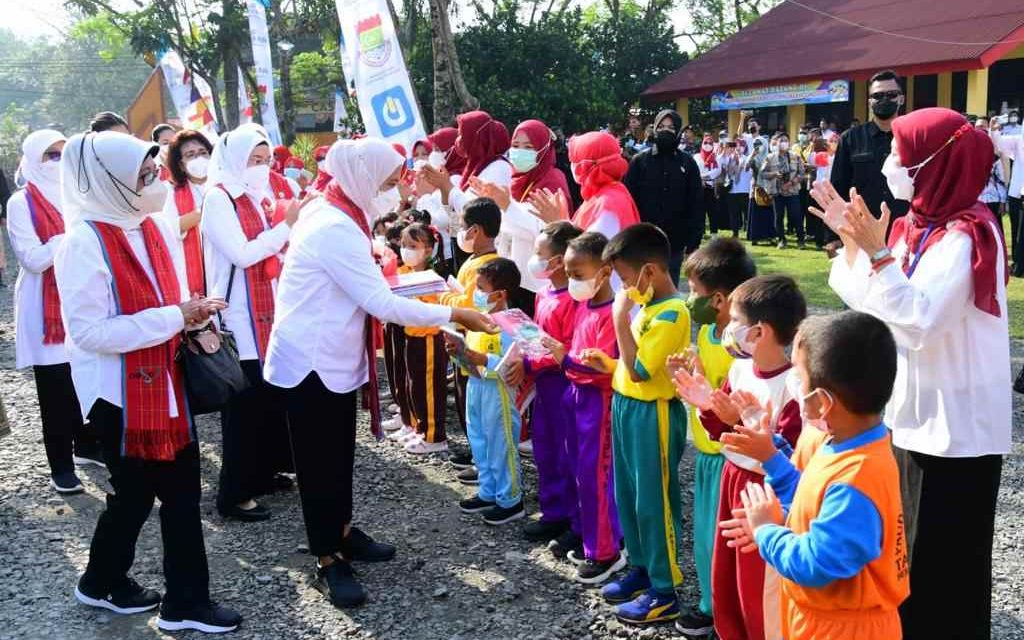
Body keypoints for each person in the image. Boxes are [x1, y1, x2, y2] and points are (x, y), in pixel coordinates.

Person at [263, 137, 496, 609]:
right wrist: (456, 316)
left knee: (339, 455)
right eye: (390, 183)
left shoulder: (337, 210)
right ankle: (328, 557)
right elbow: (379, 303)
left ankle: (343, 531)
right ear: (363, 178)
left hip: (331, 356)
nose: (398, 190)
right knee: (318, 463)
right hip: (311, 362)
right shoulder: (332, 225)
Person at [816, 107, 1010, 640]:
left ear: (934, 163)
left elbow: (921, 319)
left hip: (956, 430)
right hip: (911, 416)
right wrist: (857, 246)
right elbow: (874, 305)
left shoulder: (969, 236)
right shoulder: (914, 228)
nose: (891, 163)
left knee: (947, 570)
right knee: (907, 559)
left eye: (901, 153)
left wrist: (878, 254)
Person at [56, 130, 241, 633]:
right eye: (143, 175)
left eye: (154, 169)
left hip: (165, 381)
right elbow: (90, 331)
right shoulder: (82, 243)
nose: (156, 179)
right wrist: (174, 317)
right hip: (119, 394)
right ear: (108, 182)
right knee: (156, 495)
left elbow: (171, 297)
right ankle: (184, 604)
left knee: (152, 494)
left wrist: (195, 315)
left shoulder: (150, 225)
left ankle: (102, 582)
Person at [719, 311, 909, 640]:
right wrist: (773, 458)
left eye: (800, 377)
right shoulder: (840, 443)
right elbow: (809, 493)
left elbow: (817, 565)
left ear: (822, 402)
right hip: (821, 619)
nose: (795, 383)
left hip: (844, 630)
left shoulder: (857, 476)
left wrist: (767, 531)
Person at [688, 274, 806, 640]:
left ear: (759, 332)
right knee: (726, 574)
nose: (728, 327)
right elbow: (718, 430)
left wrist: (736, 420)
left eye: (736, 320)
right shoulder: (739, 369)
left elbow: (787, 451)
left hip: (764, 491)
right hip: (732, 477)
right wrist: (708, 404)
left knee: (757, 581)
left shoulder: (793, 385)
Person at [588, 223, 689, 624]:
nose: (624, 288)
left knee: (654, 500)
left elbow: (644, 370)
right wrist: (609, 364)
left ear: (649, 271)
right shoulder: (646, 307)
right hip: (628, 407)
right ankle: (642, 567)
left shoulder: (672, 312)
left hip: (654, 415)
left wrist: (618, 318)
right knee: (627, 495)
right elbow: (630, 369)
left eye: (626, 279)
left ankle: (664, 590)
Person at [201, 126, 300, 522]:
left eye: (265, 161)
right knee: (242, 411)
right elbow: (242, 255)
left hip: (265, 316)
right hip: (237, 319)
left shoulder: (256, 197)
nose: (261, 169)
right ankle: (233, 495)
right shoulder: (218, 199)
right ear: (233, 161)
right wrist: (286, 227)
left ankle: (261, 474)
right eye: (253, 161)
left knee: (266, 402)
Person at [668, 237, 757, 637]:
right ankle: (710, 604)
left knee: (727, 542)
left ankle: (729, 612)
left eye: (694, 292)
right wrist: (692, 371)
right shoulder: (707, 335)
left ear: (720, 299)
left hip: (728, 458)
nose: (689, 299)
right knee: (704, 537)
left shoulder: (744, 347)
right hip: (706, 455)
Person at [6, 129, 103, 493]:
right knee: (56, 389)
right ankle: (61, 465)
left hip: (81, 298)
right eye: (51, 154)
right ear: (33, 159)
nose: (58, 162)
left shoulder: (78, 194)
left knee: (86, 378)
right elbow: (32, 259)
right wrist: (72, 238)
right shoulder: (21, 202)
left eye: (64, 153)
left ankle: (88, 445)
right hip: (43, 307)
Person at [543, 230, 625, 583]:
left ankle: (605, 550)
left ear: (605, 271)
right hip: (574, 397)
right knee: (575, 467)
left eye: (578, 274)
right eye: (569, 273)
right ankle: (582, 528)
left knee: (597, 475)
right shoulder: (584, 305)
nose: (572, 281)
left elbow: (603, 368)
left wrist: (565, 359)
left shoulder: (615, 310)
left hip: (598, 403)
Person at [510, 221, 581, 544]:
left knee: (568, 452)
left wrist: (529, 362)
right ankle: (553, 511)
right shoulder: (543, 294)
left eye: (541, 253)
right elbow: (536, 337)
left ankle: (573, 517)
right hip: (544, 385)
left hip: (565, 384)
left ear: (561, 259)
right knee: (545, 448)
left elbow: (563, 348)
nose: (535, 259)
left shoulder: (574, 300)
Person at [447, 257, 526, 525]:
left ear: (501, 293)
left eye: (481, 287)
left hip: (499, 393)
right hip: (476, 385)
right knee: (479, 439)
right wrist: (459, 353)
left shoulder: (514, 323)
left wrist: (482, 360)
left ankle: (511, 499)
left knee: (501, 443)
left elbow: (513, 365)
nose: (476, 293)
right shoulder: (480, 319)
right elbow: (472, 354)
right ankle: (488, 490)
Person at [472, 118, 572, 302]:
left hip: (538, 283)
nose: (519, 152)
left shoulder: (552, 180)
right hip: (515, 277)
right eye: (516, 145)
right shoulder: (518, 179)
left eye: (528, 147)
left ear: (543, 149)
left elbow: (543, 229)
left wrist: (506, 206)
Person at [438, 197, 503, 476]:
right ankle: (477, 452)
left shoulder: (487, 265)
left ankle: (484, 461)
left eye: (463, 226)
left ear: (475, 230)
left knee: (477, 405)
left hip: (477, 341)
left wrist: (441, 295)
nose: (460, 232)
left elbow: (467, 305)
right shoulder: (476, 260)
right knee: (468, 402)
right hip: (466, 339)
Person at [829, 70, 911, 246]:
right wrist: (835, 237)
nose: (884, 100)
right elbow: (838, 187)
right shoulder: (850, 138)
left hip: (906, 232)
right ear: (869, 102)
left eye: (891, 95)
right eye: (878, 96)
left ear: (902, 99)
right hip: (861, 233)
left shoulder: (913, 139)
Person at [623, 110, 704, 284]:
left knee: (667, 293)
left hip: (674, 243)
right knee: (640, 292)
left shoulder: (687, 163)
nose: (666, 131)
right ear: (654, 128)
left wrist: (693, 242)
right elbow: (628, 201)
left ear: (678, 132)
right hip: (643, 242)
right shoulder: (640, 161)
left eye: (671, 127)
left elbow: (696, 203)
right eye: (661, 127)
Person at [394, 222, 450, 454]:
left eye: (413, 245)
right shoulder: (405, 272)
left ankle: (434, 435)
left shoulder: (431, 277)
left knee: (428, 387)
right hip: (411, 334)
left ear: (428, 250)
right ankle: (419, 427)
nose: (407, 250)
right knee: (414, 385)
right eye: (404, 245)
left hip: (428, 337)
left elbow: (433, 307)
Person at [160, 130, 213, 297]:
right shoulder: (169, 191)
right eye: (191, 155)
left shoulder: (224, 184)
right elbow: (169, 228)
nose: (199, 158)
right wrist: (206, 209)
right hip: (190, 270)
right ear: (181, 165)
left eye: (203, 153)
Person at [762, 133, 806, 249]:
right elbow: (763, 173)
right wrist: (774, 174)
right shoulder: (770, 157)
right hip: (777, 192)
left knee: (796, 215)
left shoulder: (795, 156)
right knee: (779, 217)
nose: (784, 143)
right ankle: (781, 240)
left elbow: (802, 173)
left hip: (792, 191)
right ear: (777, 143)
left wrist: (791, 183)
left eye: (786, 140)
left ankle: (801, 240)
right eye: (781, 140)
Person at [746, 139, 776, 244]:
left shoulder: (770, 157)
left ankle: (769, 237)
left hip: (768, 187)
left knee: (768, 213)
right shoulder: (754, 157)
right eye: (755, 145)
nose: (758, 147)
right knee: (756, 213)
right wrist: (752, 155)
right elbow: (746, 167)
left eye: (760, 145)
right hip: (756, 188)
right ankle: (755, 237)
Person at [721, 139, 751, 237]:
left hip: (745, 190)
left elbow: (748, 168)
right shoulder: (729, 158)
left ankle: (748, 231)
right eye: (736, 146)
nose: (738, 148)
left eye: (741, 146)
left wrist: (739, 163)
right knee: (734, 213)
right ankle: (735, 232)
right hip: (732, 190)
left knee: (747, 213)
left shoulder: (747, 158)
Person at [696, 135, 723, 235]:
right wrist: (700, 178)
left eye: (710, 143)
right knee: (699, 211)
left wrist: (704, 176)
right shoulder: (697, 157)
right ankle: (700, 231)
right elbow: (694, 171)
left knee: (713, 212)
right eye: (705, 143)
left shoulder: (716, 158)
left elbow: (717, 171)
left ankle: (714, 232)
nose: (707, 145)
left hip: (711, 188)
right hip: (699, 188)